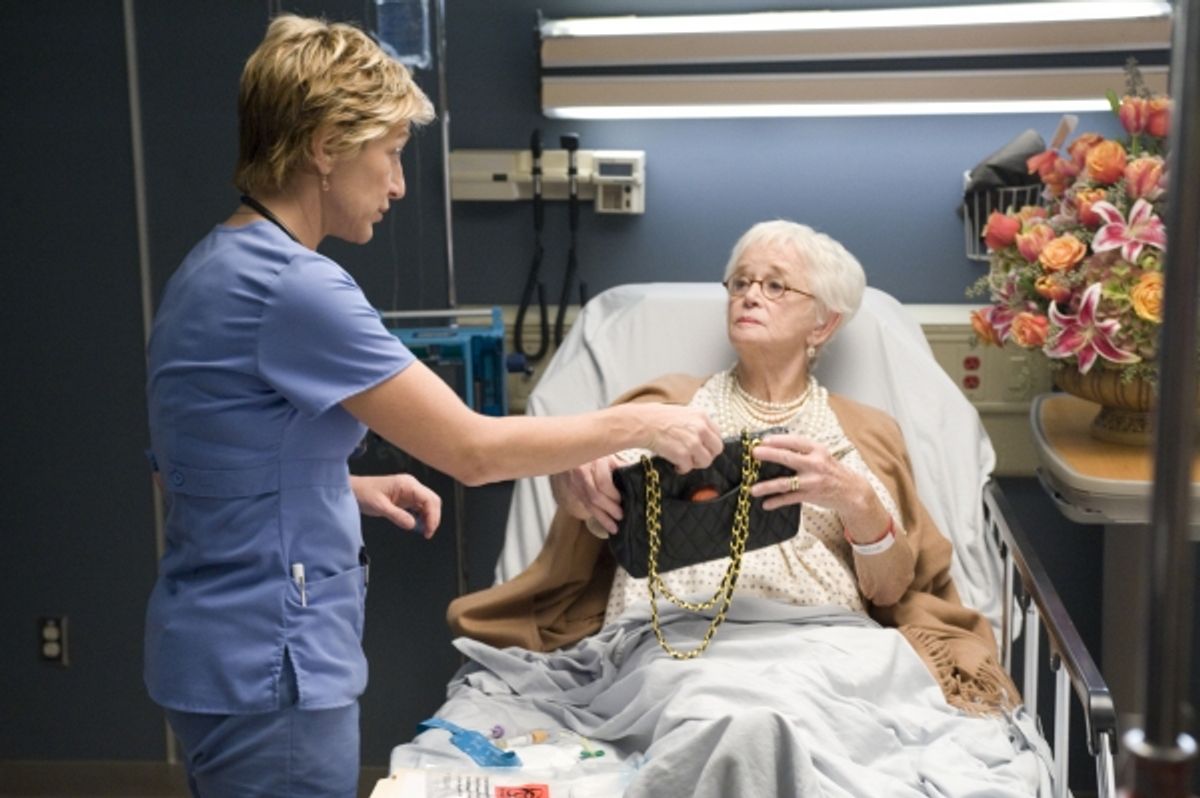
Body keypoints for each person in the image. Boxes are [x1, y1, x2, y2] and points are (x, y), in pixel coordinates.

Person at [143, 15, 720, 798]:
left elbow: (202, 466)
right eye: (389, 154)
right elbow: (472, 452)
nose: (398, 184)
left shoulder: (209, 269)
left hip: (208, 650)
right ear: (323, 147)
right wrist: (643, 422)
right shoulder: (297, 288)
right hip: (269, 666)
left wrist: (339, 488)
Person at [445, 221, 1030, 794]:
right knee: (729, 721)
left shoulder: (865, 434)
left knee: (781, 721)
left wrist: (851, 497)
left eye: (776, 285)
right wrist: (575, 484)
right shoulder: (665, 406)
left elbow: (892, 588)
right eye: (741, 281)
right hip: (679, 642)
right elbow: (586, 503)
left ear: (823, 323)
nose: (750, 293)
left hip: (828, 649)